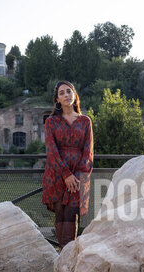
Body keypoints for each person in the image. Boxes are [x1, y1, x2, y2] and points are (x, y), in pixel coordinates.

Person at [42, 80, 94, 248]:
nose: (66, 95)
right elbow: (51, 150)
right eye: (62, 93)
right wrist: (65, 174)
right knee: (60, 215)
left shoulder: (85, 121)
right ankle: (65, 256)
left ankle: (69, 255)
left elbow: (88, 151)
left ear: (74, 95)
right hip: (56, 174)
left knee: (72, 214)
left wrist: (77, 176)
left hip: (78, 176)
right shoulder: (51, 121)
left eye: (69, 91)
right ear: (57, 99)